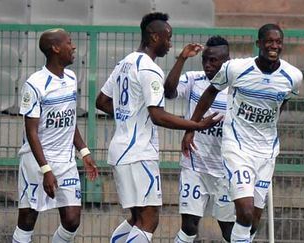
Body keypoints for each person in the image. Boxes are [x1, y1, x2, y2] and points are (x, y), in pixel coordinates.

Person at [95, 12, 221, 243]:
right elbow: (158, 116)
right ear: (154, 37)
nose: (170, 43)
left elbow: (101, 102)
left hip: (120, 150)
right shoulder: (150, 69)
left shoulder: (125, 62)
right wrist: (197, 125)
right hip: (139, 152)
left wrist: (130, 113)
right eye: (167, 37)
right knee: (149, 220)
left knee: (136, 219)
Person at [182, 24, 303, 242]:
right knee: (245, 212)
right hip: (237, 148)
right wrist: (192, 127)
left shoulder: (293, 76)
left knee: (253, 221)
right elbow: (210, 93)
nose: (274, 46)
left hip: (266, 151)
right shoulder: (237, 69)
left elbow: (282, 101)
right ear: (259, 44)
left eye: (278, 42)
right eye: (269, 41)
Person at [12, 28, 99, 243]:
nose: (74, 47)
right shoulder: (35, 84)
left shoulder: (71, 77)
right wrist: (46, 169)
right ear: (56, 48)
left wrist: (84, 152)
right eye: (69, 42)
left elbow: (69, 120)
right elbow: (31, 131)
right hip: (38, 163)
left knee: (72, 220)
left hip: (66, 161)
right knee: (28, 218)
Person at [163, 36, 235, 243]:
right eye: (205, 59)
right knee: (188, 226)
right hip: (195, 166)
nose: (208, 65)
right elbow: (169, 92)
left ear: (227, 61)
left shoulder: (236, 87)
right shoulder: (195, 79)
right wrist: (182, 59)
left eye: (214, 60)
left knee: (228, 230)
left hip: (224, 170)